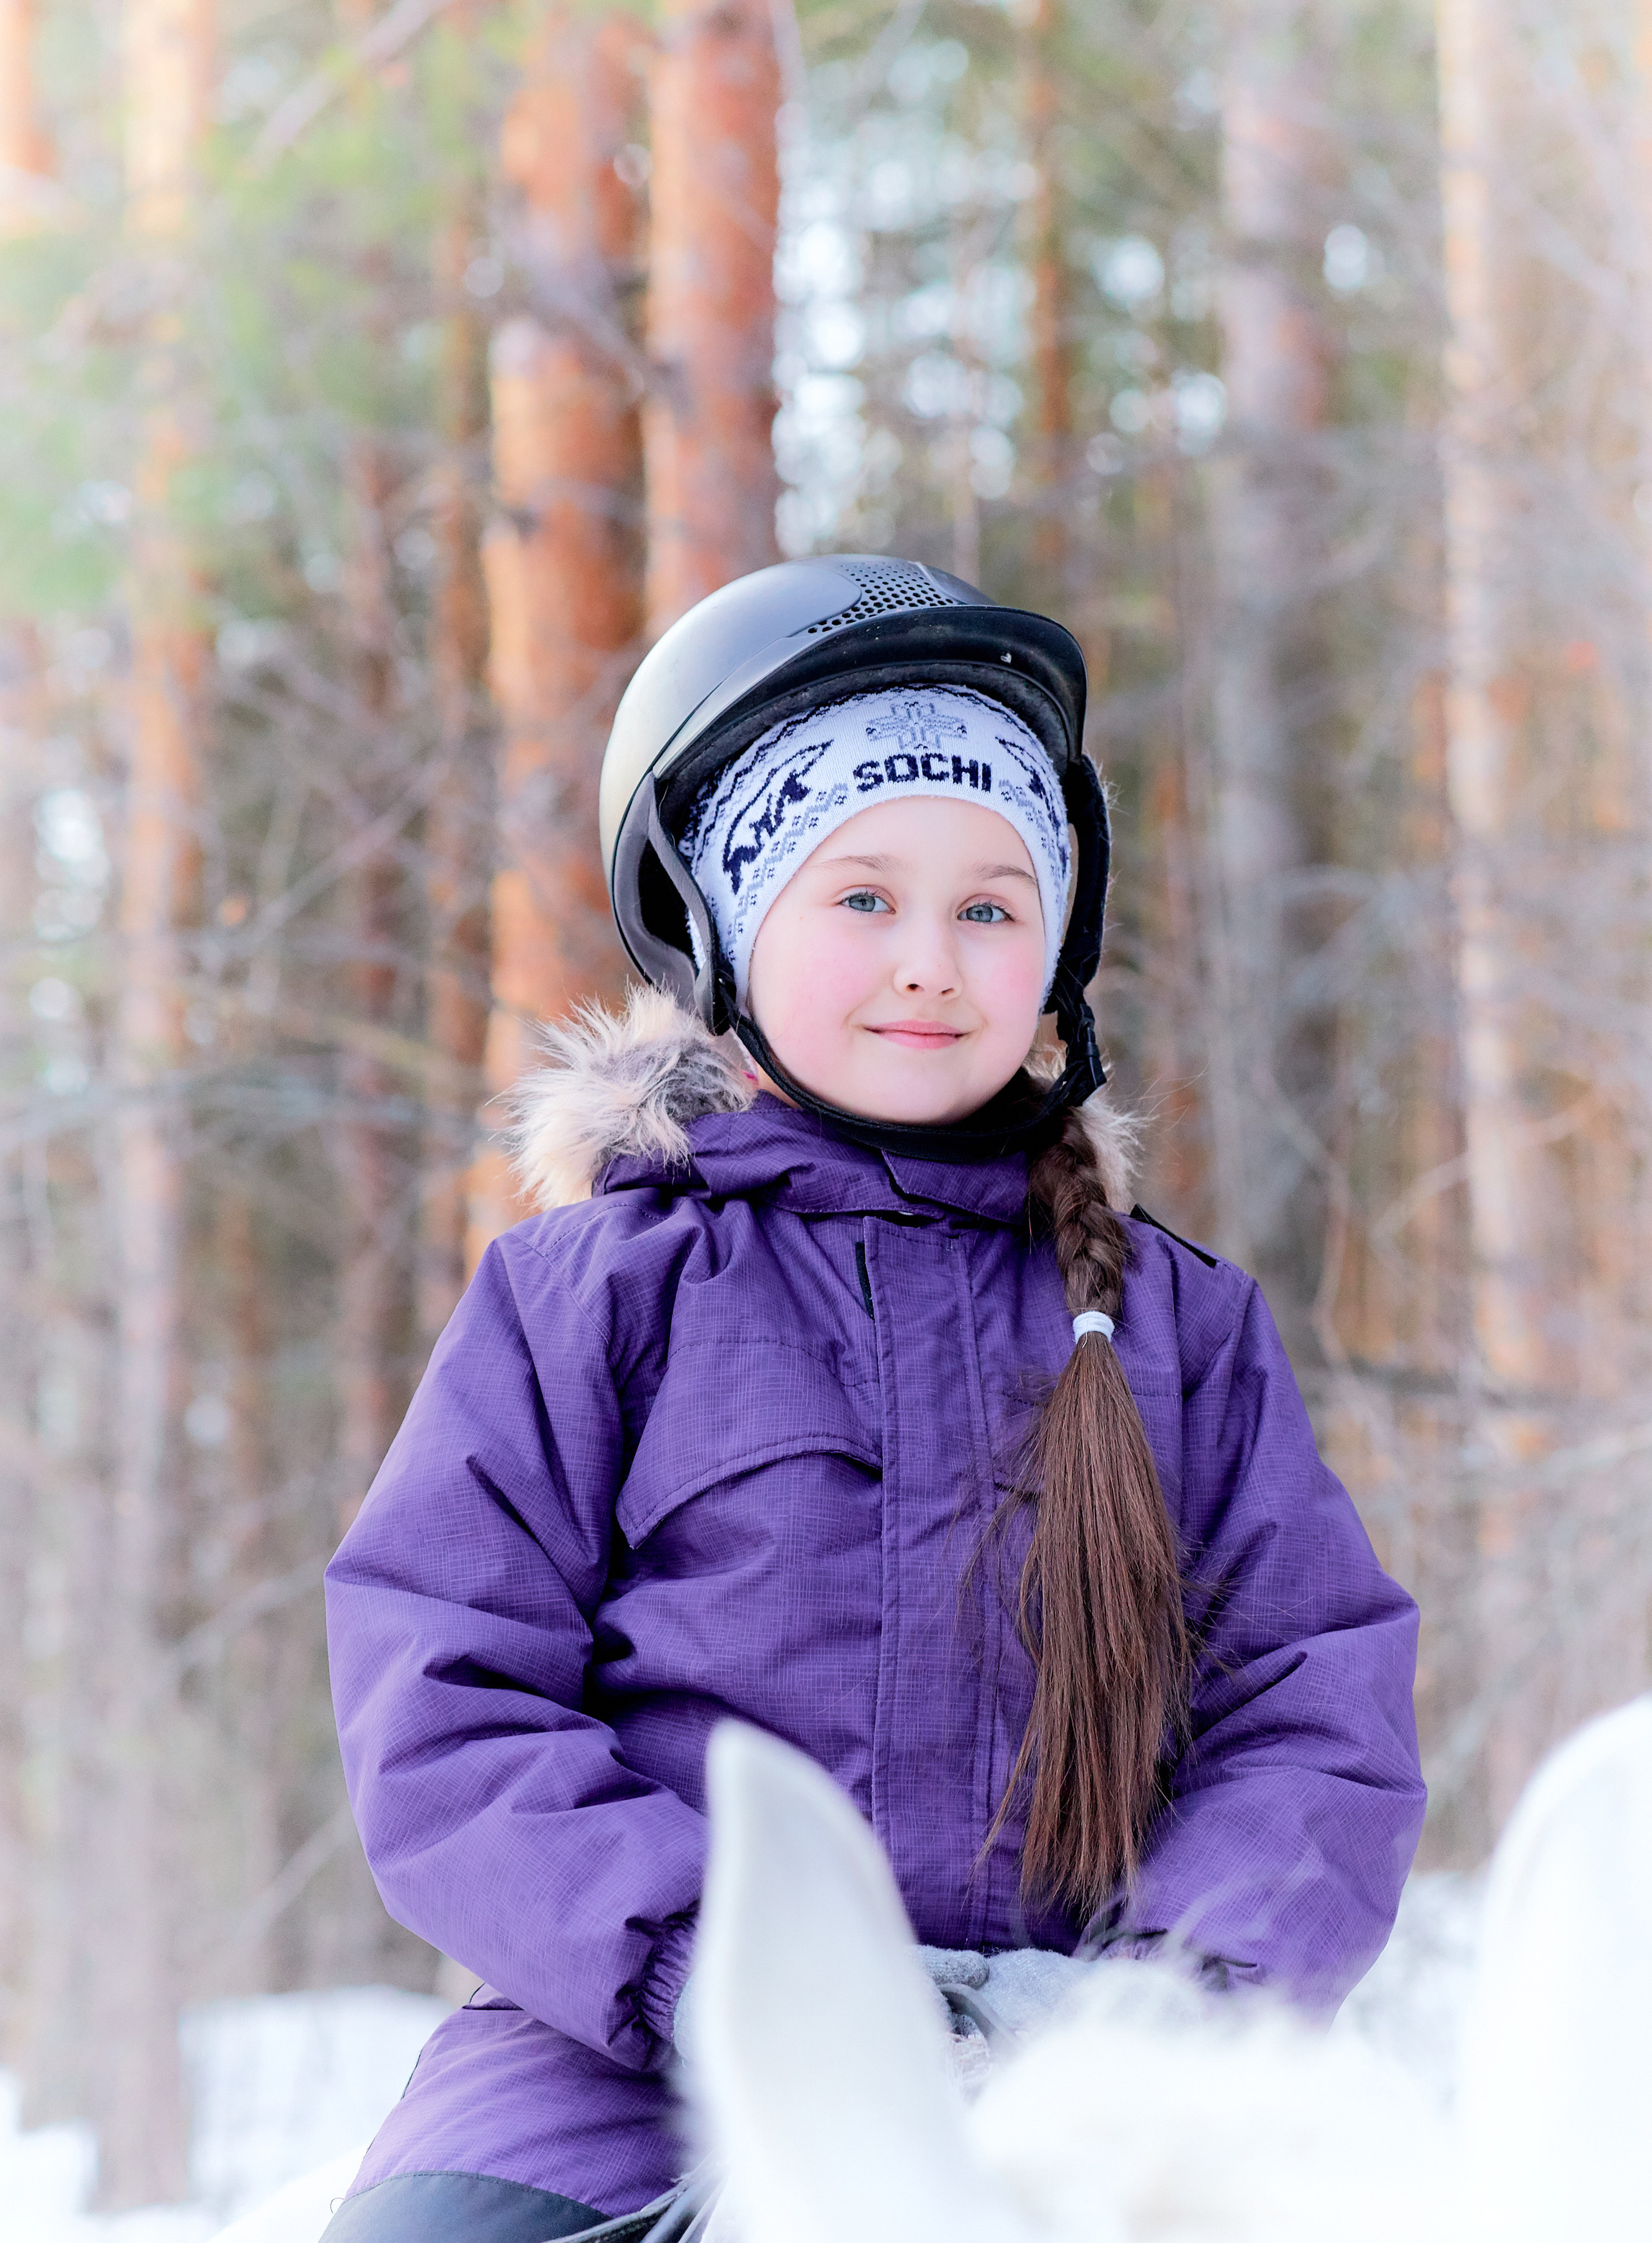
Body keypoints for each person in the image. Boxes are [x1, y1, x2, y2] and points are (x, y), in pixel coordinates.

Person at [322, 558, 1425, 2243]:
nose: (932, 961)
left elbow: (1311, 1703)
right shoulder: (591, 1297)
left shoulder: (1173, 1325)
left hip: (1071, 2066)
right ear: (733, 931)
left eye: (991, 907)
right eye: (862, 900)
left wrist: (1165, 2011)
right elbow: (448, 1692)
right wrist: (714, 1973)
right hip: (622, 2062)